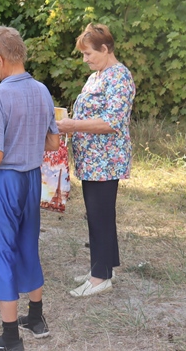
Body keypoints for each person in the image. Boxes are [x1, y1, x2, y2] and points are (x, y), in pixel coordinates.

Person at [0, 26, 60, 351]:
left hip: (4, 181)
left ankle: (9, 338)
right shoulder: (43, 90)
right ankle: (36, 318)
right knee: (28, 245)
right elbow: (53, 141)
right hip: (32, 178)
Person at [57, 23, 135, 298]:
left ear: (105, 49)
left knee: (100, 216)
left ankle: (99, 277)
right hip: (91, 160)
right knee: (98, 215)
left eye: (89, 53)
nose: (85, 59)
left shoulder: (119, 76)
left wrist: (73, 125)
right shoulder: (98, 75)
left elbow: (112, 122)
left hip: (106, 160)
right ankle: (103, 267)